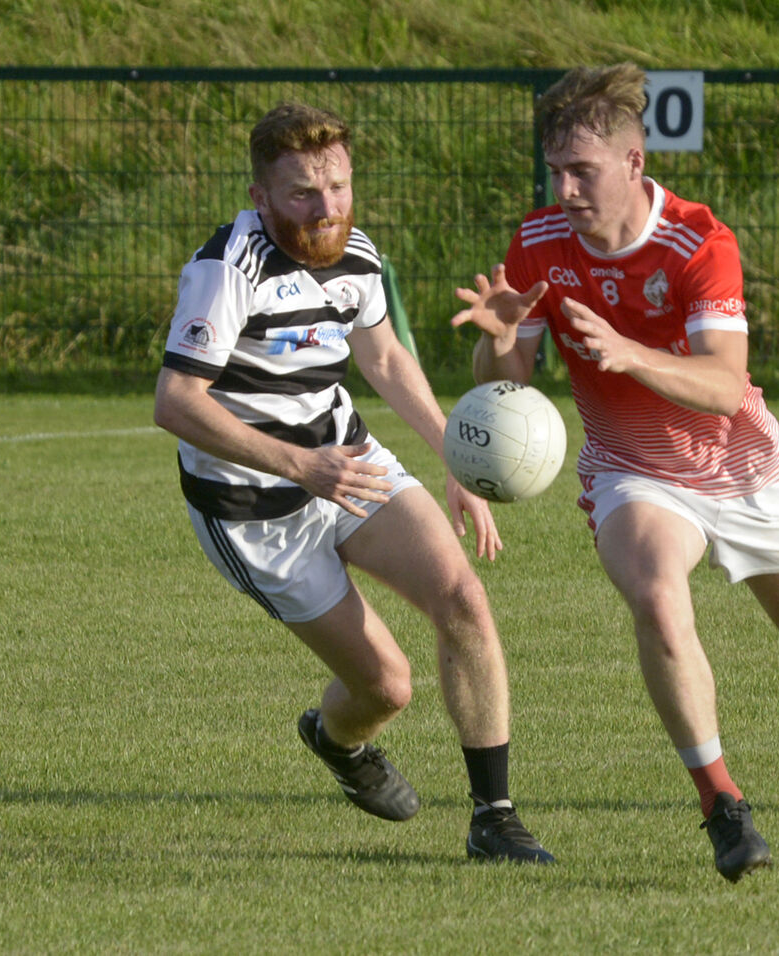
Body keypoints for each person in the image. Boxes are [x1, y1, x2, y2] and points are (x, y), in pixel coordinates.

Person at [451, 64, 779, 880]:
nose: (564, 188)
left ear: (633, 164)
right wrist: (497, 338)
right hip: (634, 472)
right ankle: (721, 804)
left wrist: (628, 354)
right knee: (659, 601)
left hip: (741, 465)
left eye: (581, 171)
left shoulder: (698, 242)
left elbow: (725, 384)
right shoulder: (539, 242)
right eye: (554, 170)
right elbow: (508, 382)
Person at [154, 101, 552, 864]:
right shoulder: (226, 271)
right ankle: (336, 740)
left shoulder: (356, 252)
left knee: (463, 598)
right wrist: (303, 466)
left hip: (349, 463)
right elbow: (176, 403)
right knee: (387, 689)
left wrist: (456, 457)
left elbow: (387, 361)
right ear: (261, 198)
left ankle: (494, 818)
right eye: (304, 192)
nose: (327, 206)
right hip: (255, 511)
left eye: (338, 185)